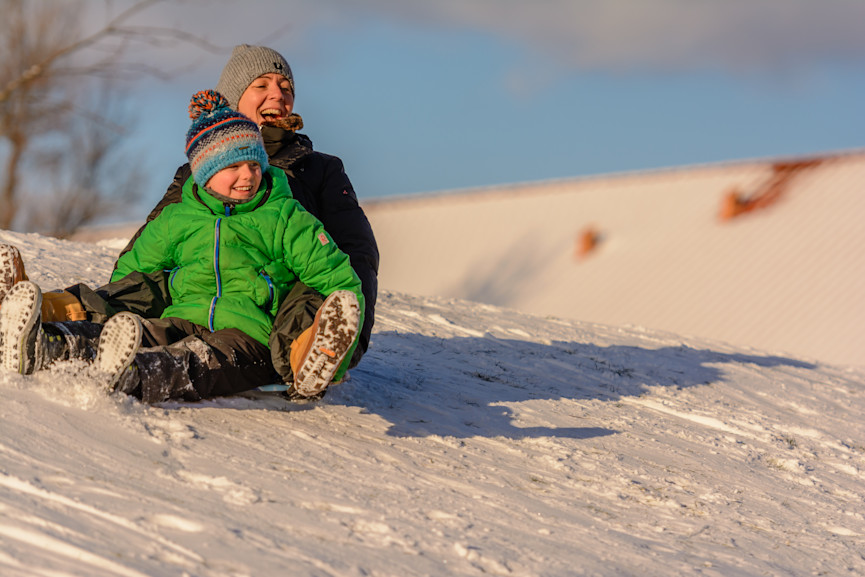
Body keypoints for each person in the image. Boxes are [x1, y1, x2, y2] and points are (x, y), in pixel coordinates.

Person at [0, 44, 378, 389]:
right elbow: (148, 249)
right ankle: (46, 322)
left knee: (309, 292)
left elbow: (354, 256)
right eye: (262, 85)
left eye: (285, 87)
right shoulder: (193, 178)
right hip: (193, 301)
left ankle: (312, 355)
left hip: (269, 308)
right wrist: (122, 306)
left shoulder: (316, 171)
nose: (279, 95)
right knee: (150, 283)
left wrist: (349, 344)